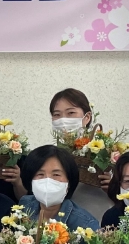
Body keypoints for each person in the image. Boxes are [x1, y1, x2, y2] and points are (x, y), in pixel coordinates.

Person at [46, 88, 113, 220]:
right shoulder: (49, 156)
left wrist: (114, 187)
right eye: (57, 114)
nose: (63, 120)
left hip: (97, 219)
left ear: (87, 117)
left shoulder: (106, 153)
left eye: (70, 113)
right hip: (58, 223)